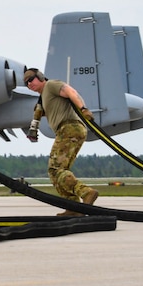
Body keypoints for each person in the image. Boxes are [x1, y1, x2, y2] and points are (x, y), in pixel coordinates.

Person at [24, 67, 98, 215]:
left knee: (56, 168)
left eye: (31, 79)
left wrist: (83, 109)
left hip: (70, 128)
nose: (29, 84)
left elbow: (70, 91)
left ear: (40, 76)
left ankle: (86, 192)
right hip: (67, 130)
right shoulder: (44, 96)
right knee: (55, 172)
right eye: (26, 83)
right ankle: (73, 206)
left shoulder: (51, 85)